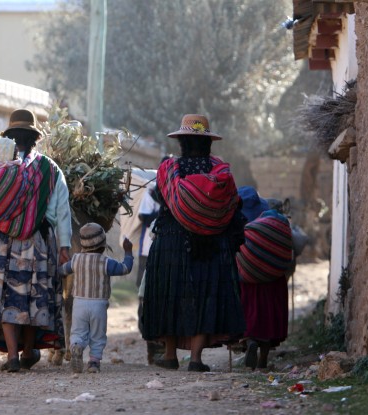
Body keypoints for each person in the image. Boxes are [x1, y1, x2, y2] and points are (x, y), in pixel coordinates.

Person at [0, 108, 72, 373]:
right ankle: (29, 350)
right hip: (38, 242)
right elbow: (62, 210)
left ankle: (12, 356)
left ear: (10, 138)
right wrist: (65, 246)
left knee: (5, 298)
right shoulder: (49, 168)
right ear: (35, 138)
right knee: (32, 296)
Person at [141, 114, 246, 372]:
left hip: (171, 242)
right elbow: (233, 205)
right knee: (204, 296)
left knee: (171, 294)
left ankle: (169, 355)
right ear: (208, 143)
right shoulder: (220, 171)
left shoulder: (168, 170)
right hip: (209, 244)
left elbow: (160, 200)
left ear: (182, 142)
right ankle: (197, 359)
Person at [58, 223, 133, 373]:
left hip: (79, 303)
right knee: (97, 335)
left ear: (82, 244)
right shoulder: (106, 262)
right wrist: (128, 252)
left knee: (78, 332)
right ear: (103, 245)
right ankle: (93, 363)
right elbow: (125, 268)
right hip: (98, 304)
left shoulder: (76, 260)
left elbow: (62, 270)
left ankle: (77, 347)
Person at [236, 186, 293, 370]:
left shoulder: (238, 222)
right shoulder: (271, 221)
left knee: (250, 310)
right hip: (274, 278)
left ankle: (250, 341)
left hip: (248, 278)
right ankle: (263, 358)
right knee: (270, 315)